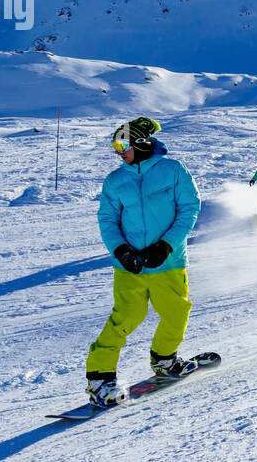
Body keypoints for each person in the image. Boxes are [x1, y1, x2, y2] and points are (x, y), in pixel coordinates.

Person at [86, 117, 202, 408]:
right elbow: (107, 219)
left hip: (169, 262)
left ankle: (165, 359)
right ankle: (100, 379)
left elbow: (189, 209)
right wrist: (121, 250)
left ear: (140, 142)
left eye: (121, 144)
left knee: (176, 312)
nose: (117, 152)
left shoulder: (172, 171)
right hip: (130, 266)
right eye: (114, 145)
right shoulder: (116, 179)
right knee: (125, 318)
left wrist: (165, 246)